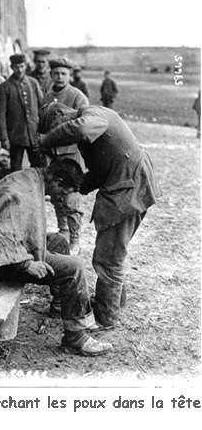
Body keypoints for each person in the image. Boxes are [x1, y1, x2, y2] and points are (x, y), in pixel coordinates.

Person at [0, 158, 112, 356]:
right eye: (63, 191)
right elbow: (0, 236)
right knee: (74, 267)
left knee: (59, 241)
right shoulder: (21, 193)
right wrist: (26, 264)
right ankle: (75, 338)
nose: (61, 198)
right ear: (56, 180)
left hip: (9, 253)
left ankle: (60, 304)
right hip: (2, 264)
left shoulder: (30, 178)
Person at [40, 103, 162, 329]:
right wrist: (76, 185)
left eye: (52, 125)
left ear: (60, 114)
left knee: (108, 259)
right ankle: (113, 302)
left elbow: (82, 129)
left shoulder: (92, 114)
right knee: (113, 252)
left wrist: (46, 140)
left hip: (128, 187)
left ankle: (106, 318)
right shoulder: (91, 129)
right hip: (127, 183)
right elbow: (100, 171)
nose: (55, 131)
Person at [39, 57, 89, 256]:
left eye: (64, 74)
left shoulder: (78, 97)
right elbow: (41, 125)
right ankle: (63, 231)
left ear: (69, 76)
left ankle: (75, 238)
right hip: (53, 156)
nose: (59, 77)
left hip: (72, 155)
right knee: (56, 196)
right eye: (56, 73)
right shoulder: (47, 96)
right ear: (51, 75)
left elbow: (86, 126)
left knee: (70, 199)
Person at [0, 53, 43, 172]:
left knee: (38, 167)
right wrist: (4, 138)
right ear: (11, 67)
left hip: (33, 135)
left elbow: (43, 108)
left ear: (26, 66)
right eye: (16, 67)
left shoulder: (33, 83)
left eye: (21, 66)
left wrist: (43, 132)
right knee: (15, 168)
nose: (19, 70)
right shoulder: (4, 88)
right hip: (15, 136)